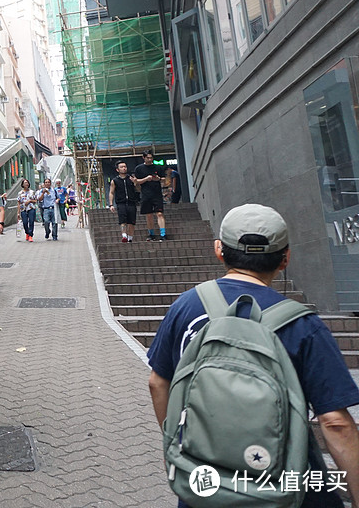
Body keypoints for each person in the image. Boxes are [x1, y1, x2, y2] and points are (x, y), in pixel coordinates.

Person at [147, 204, 359, 507]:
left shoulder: (186, 307)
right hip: (285, 486)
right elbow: (336, 422)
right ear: (285, 258)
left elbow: (158, 383)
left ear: (219, 250)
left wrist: (181, 443)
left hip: (203, 483)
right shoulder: (304, 324)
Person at [133, 149, 167, 241]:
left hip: (157, 193)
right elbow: (136, 182)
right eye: (148, 158)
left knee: (159, 213)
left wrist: (159, 179)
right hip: (146, 194)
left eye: (151, 157)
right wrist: (146, 179)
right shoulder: (139, 169)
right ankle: (151, 234)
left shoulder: (158, 167)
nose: (150, 159)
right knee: (149, 215)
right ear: (143, 158)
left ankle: (163, 234)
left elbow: (164, 179)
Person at [108, 161, 138, 243]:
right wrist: (111, 204)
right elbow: (111, 192)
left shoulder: (131, 178)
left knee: (132, 222)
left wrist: (135, 183)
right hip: (121, 203)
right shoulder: (115, 180)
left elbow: (138, 190)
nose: (124, 168)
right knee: (122, 221)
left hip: (132, 202)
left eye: (125, 166)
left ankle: (130, 238)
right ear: (117, 169)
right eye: (121, 167)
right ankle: (124, 235)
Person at [16, 178, 37, 242]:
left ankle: (30, 235)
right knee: (25, 222)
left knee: (31, 222)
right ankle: (27, 233)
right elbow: (19, 203)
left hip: (31, 208)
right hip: (23, 209)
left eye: (27, 183)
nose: (26, 184)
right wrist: (18, 212)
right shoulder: (20, 193)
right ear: (22, 184)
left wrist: (30, 201)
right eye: (25, 183)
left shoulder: (32, 192)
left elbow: (35, 200)